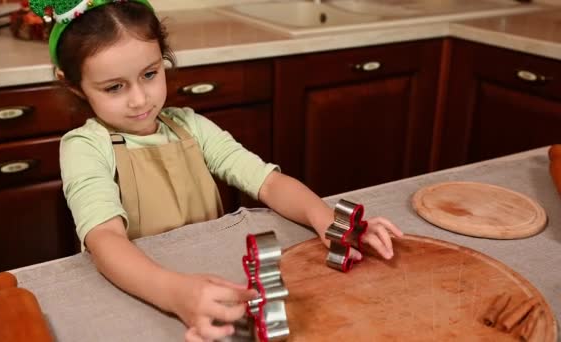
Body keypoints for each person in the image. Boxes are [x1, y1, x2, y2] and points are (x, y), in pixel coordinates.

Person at [29, 0, 404, 340]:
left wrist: (329, 221)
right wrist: (175, 293)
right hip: (142, 294)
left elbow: (269, 183)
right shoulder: (84, 148)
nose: (140, 99)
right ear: (74, 85)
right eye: (114, 87)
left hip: (211, 282)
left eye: (150, 74)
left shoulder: (190, 126)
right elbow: (105, 241)